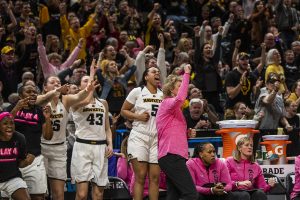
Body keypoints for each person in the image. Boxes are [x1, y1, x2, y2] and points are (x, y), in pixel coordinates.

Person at [41, 73, 96, 200]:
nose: (56, 84)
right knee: (41, 193)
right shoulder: (41, 101)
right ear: (45, 87)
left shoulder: (65, 100)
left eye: (58, 83)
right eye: (52, 82)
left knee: (59, 194)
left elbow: (80, 96)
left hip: (59, 149)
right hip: (42, 149)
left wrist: (88, 87)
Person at [156, 64, 198, 200]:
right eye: (179, 87)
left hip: (173, 156)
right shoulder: (167, 103)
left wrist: (187, 134)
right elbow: (180, 98)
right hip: (171, 156)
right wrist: (186, 74)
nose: (183, 89)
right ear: (171, 90)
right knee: (191, 194)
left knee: (173, 195)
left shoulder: (175, 110)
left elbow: (171, 132)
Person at [120, 66, 163, 200]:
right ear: (146, 77)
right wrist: (138, 116)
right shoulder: (137, 91)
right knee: (140, 176)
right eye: (153, 71)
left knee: (155, 178)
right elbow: (124, 111)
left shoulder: (163, 94)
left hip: (157, 138)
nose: (157, 73)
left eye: (158, 72)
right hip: (139, 135)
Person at [5, 84, 53, 200]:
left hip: (34, 159)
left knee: (38, 196)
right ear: (20, 95)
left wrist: (48, 118)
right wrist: (16, 108)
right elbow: (3, 126)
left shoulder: (40, 111)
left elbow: (47, 136)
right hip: (12, 159)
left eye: (35, 92)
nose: (33, 94)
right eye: (29, 92)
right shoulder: (10, 109)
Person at [70, 73, 113, 200]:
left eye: (91, 80)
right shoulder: (75, 101)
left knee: (99, 193)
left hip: (100, 148)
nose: (90, 82)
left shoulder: (103, 103)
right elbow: (87, 100)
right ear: (79, 86)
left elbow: (107, 128)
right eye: (85, 81)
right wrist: (88, 89)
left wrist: (110, 144)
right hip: (83, 147)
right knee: (82, 194)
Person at [0, 112, 34, 200]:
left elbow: (20, 163)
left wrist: (27, 161)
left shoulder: (20, 138)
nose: (9, 126)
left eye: (12, 123)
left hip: (12, 178)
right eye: (5, 123)